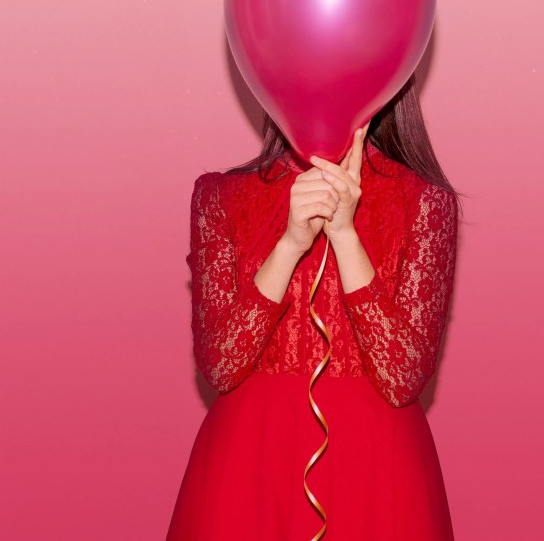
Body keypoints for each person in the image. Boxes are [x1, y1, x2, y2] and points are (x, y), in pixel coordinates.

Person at [167, 75, 462, 540]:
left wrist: (345, 235)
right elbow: (221, 367)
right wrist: (289, 244)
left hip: (378, 475)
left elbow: (401, 377)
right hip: (248, 469)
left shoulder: (426, 201)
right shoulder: (220, 196)